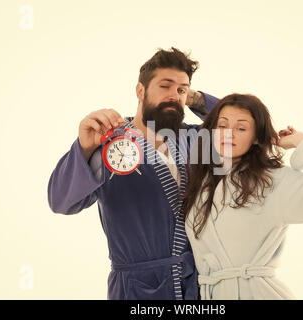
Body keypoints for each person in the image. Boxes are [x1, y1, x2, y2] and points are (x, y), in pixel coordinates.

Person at [47, 48, 218, 300]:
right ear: (140, 91)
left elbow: (239, 122)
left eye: (181, 89)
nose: (174, 96)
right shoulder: (108, 143)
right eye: (165, 86)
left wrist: (193, 98)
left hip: (196, 286)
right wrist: (84, 148)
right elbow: (61, 201)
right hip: (136, 289)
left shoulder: (194, 140)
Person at [181, 93, 303, 299]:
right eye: (222, 126)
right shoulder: (203, 185)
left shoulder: (272, 182)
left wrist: (300, 143)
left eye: (241, 128)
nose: (229, 134)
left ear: (257, 137)